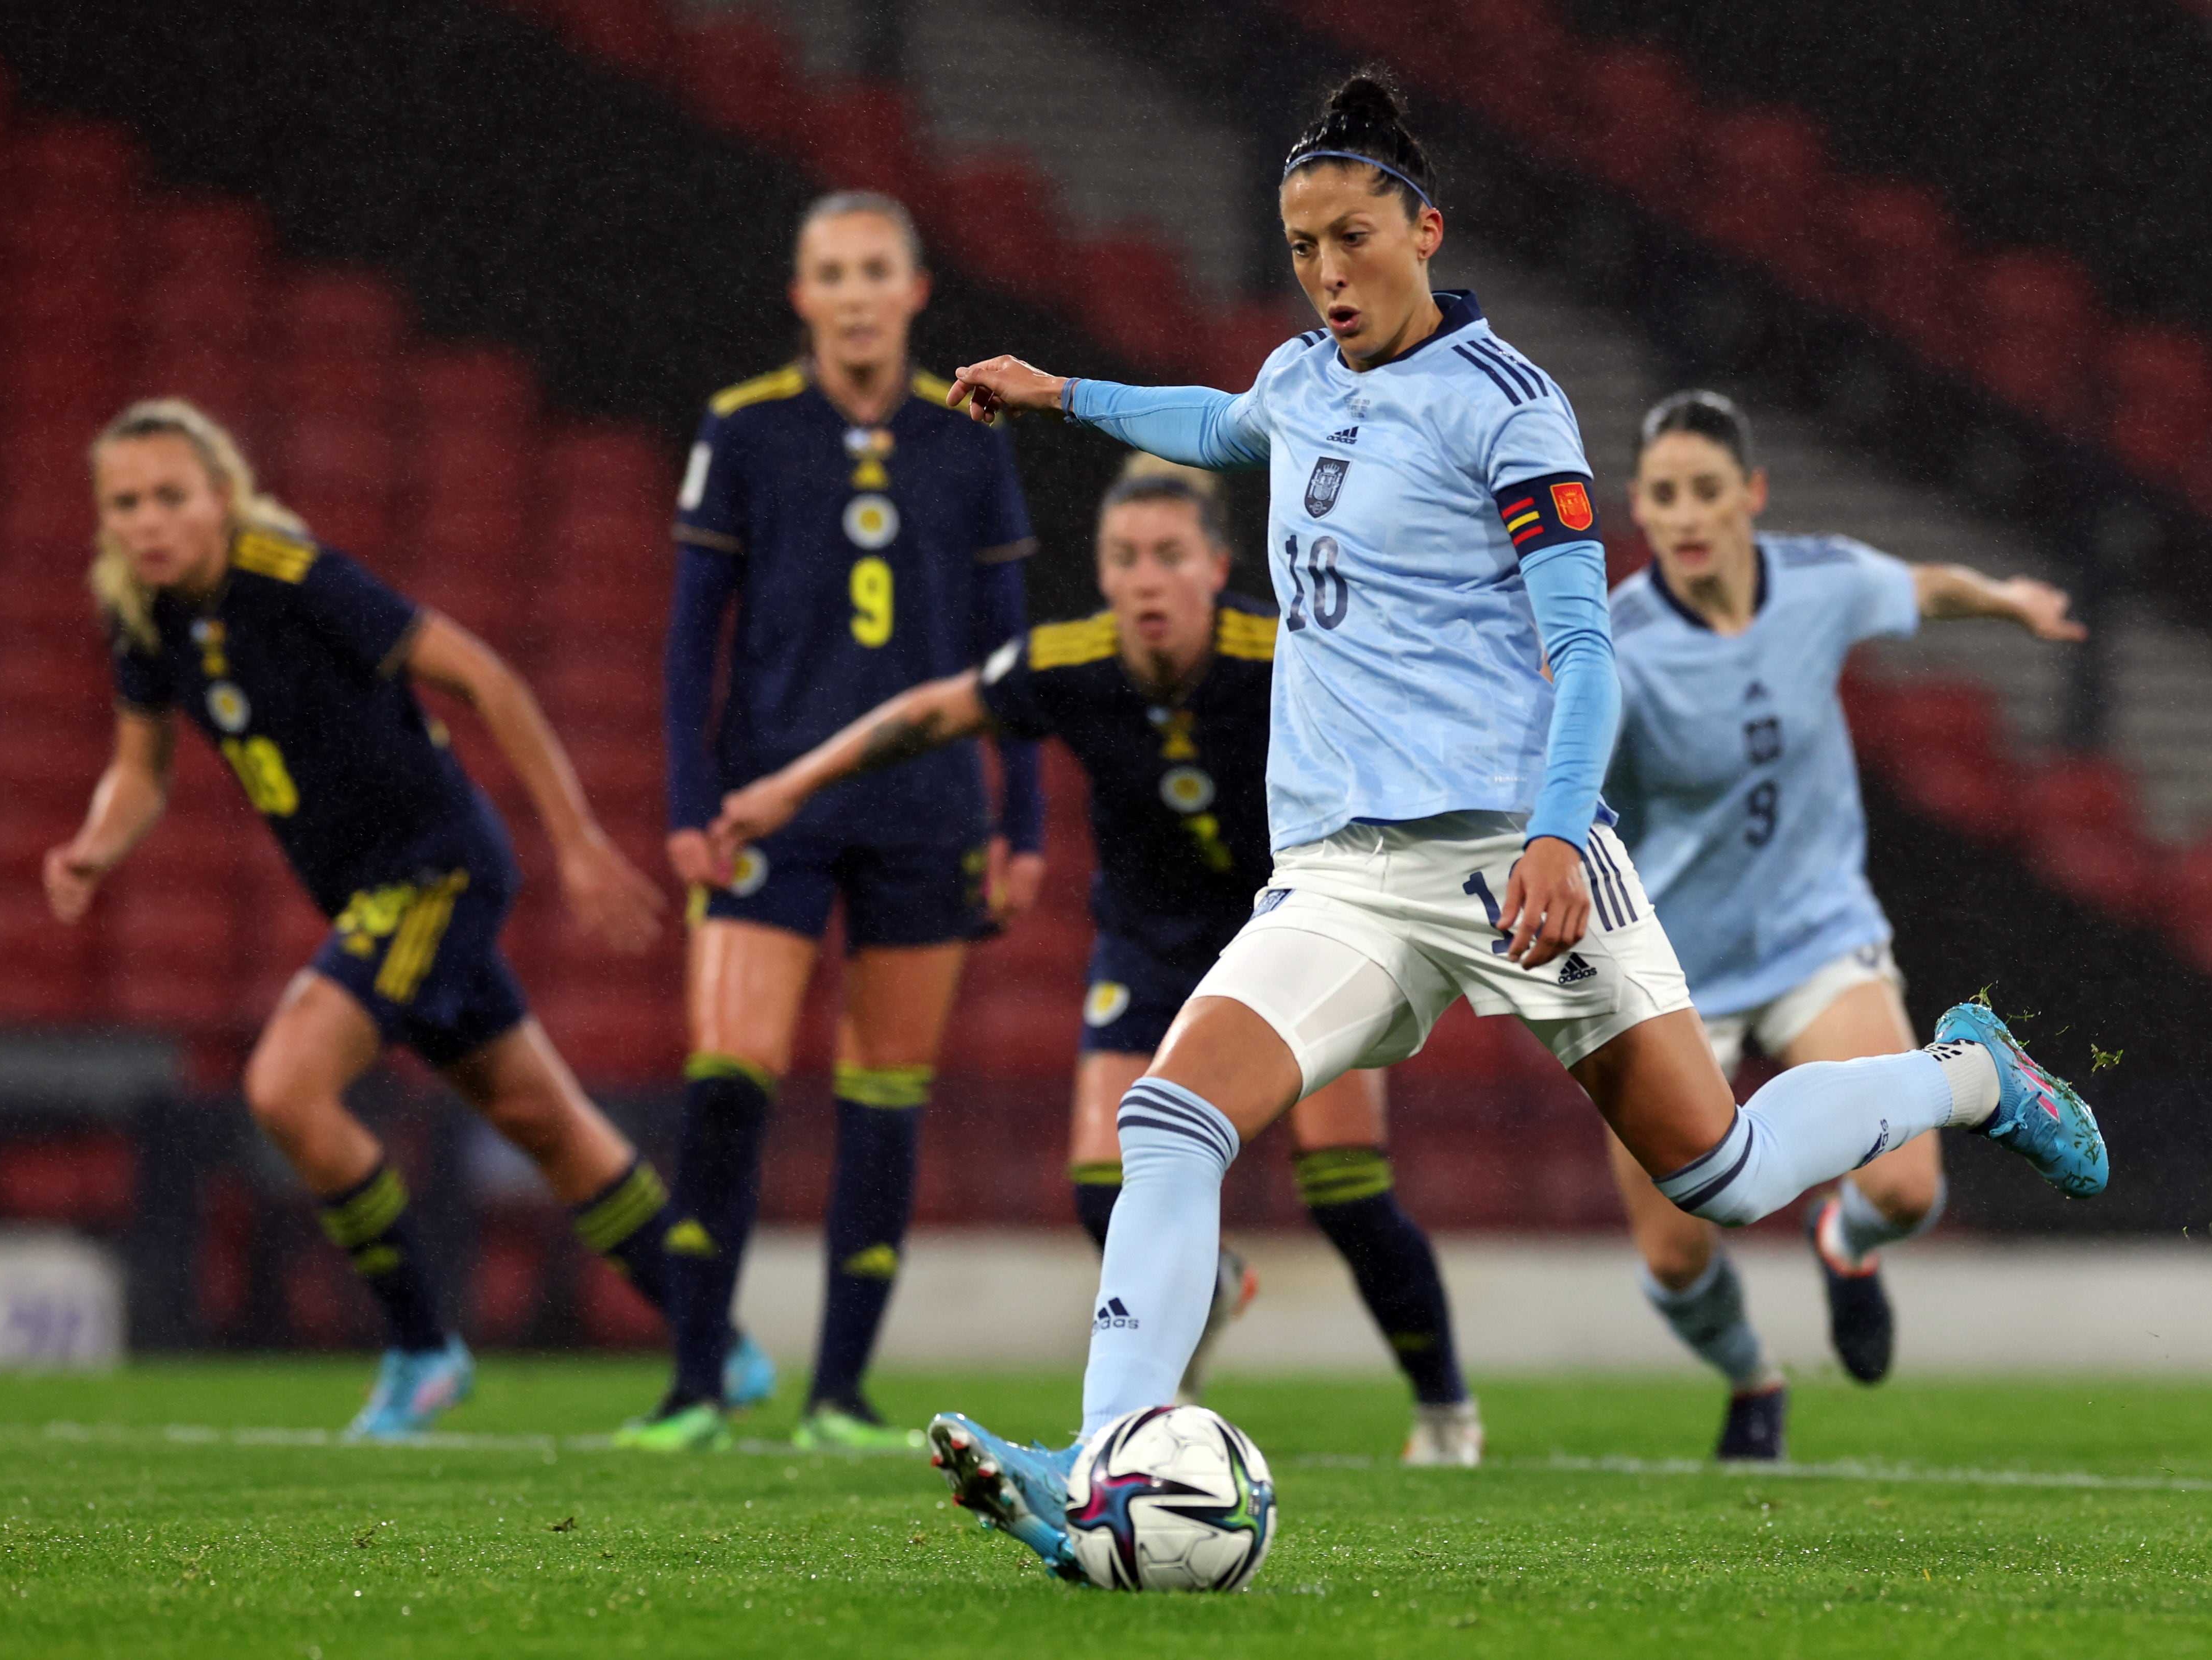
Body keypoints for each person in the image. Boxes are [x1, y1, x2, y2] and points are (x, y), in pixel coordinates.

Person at [902, 69, 2107, 1580]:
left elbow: (1583, 652)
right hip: (1342, 872)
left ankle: (1965, 1075)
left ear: (1422, 227)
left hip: (1511, 853)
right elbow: (1221, 426)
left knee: (1717, 1172)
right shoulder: (1302, 377)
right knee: (1169, 1116)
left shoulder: (1510, 412)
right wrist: (1062, 393)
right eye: (1298, 249)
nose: (1326, 275)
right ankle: (1097, 1464)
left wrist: (1551, 832)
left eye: (1349, 239)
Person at [711, 457, 1483, 1465]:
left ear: (1216, 565)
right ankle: (1200, 1300)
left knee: (1345, 1192)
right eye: (1124, 559)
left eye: (1169, 555)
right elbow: (933, 714)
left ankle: (1442, 1407)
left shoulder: (1290, 650)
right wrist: (787, 788)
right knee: (1100, 1187)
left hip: (1294, 934)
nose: (1146, 579)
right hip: (1148, 944)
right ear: (1104, 574)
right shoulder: (1070, 660)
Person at [47, 399, 766, 1437]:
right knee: (544, 1122)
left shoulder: (295, 580)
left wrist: (575, 840)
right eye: (127, 503)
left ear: (222, 494)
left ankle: (424, 1349)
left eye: (172, 496)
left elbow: (482, 674)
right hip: (375, 889)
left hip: (436, 870)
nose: (150, 520)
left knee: (285, 1087)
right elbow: (137, 768)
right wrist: (95, 848)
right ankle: (720, 1345)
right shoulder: (141, 613)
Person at [1603, 390, 2088, 1460]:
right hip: (1669, 968)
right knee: (1679, 1257)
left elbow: (1921, 587)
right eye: (1666, 495)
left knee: (1908, 1187)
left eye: (1708, 492)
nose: (1687, 516)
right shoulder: (1619, 650)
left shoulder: (1816, 581)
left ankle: (1846, 1242)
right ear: (1639, 505)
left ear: (1752, 498)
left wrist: (2005, 602)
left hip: (1817, 938)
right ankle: (1751, 1377)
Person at [639, 191, 1048, 1452]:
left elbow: (1010, 651)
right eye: (834, 271)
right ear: (802, 294)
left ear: (917, 292)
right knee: (729, 1078)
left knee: (885, 1094)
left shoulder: (968, 435)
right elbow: (687, 639)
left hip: (928, 812)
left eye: (879, 269)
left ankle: (842, 1397)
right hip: (772, 804)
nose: (858, 291)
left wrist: (1020, 818)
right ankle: (696, 1386)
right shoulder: (747, 428)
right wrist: (687, 803)